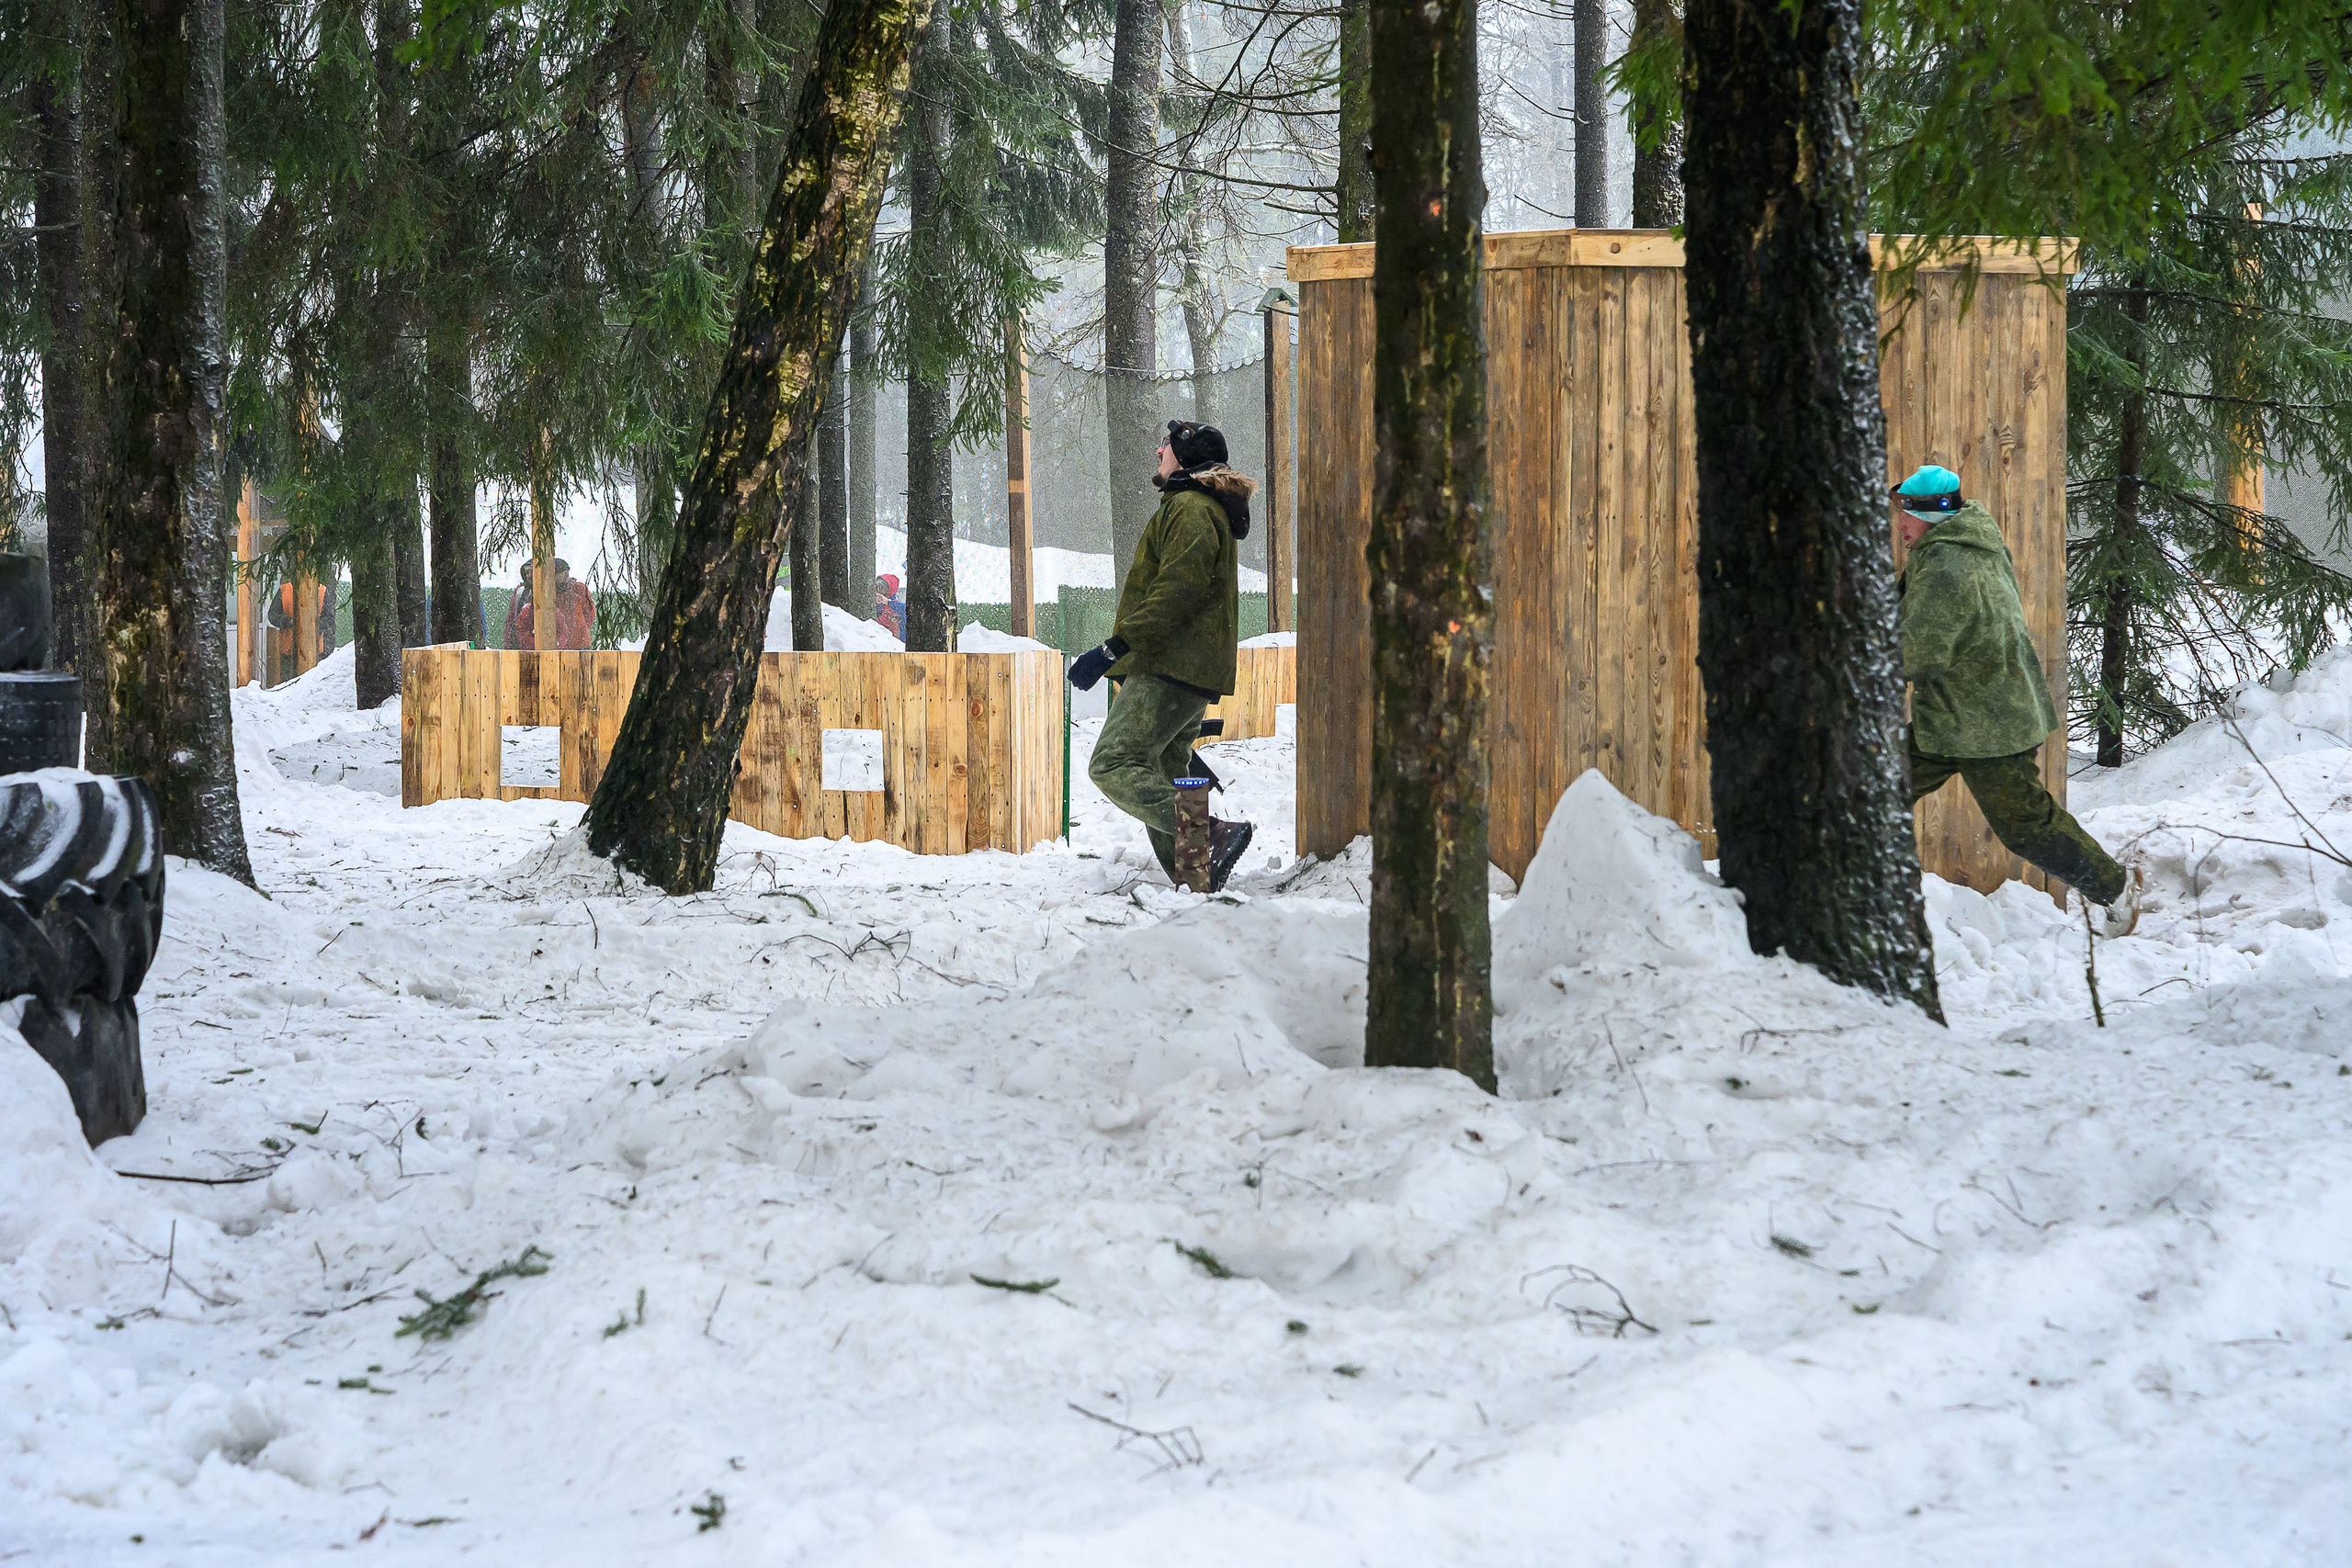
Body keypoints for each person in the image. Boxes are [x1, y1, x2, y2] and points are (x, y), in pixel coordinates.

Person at [1895, 464, 2142, 935]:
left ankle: (2117, 887)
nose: (1901, 525)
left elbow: (1915, 651)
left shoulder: (1950, 565)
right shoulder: (1959, 545)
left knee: (2026, 825)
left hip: (1988, 724)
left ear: (1932, 516)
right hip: (1954, 719)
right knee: (1874, 788)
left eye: (1907, 514)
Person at [1069, 419, 1257, 892]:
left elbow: (1177, 590)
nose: (1158, 451)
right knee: (1168, 764)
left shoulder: (1192, 509)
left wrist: (1115, 647)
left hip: (1171, 665)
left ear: (1187, 458)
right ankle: (1196, 876)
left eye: (1168, 446)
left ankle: (1208, 835)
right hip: (1187, 665)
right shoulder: (1196, 507)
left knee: (1112, 763)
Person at [511, 558, 596, 650]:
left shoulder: (579, 588)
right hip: (559, 644)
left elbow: (590, 612)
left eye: (558, 573)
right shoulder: (549, 591)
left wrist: (580, 629)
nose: (556, 577)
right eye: (555, 574)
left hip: (580, 643)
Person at [502, 566, 532, 649]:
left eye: (532, 572)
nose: (529, 576)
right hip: (519, 641)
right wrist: (508, 643)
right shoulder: (520, 591)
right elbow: (511, 618)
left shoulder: (547, 591)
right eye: (526, 573)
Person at [874, 574, 905, 638]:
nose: (878, 589)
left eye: (881, 587)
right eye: (877, 586)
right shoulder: (877, 601)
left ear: (889, 590)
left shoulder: (894, 607)